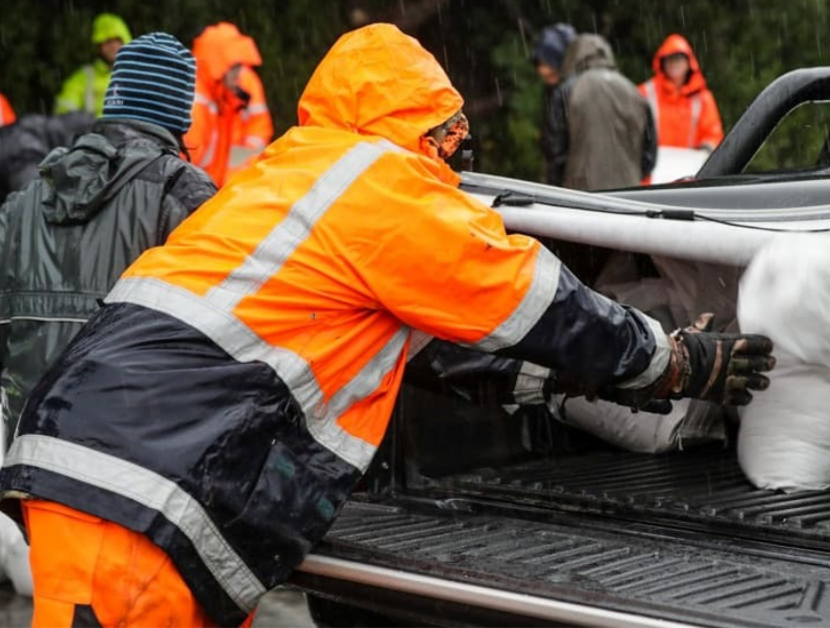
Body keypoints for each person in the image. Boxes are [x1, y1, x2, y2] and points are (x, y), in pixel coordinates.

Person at [0, 24, 774, 627]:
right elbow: (536, 298)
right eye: (444, 132)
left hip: (113, 465)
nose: (453, 152)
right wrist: (671, 363)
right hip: (137, 495)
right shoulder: (382, 185)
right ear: (408, 122)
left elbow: (432, 346)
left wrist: (572, 376)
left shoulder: (287, 174)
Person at [0, 32, 215, 451]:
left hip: (20, 459)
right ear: (180, 116)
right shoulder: (184, 195)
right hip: (124, 467)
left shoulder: (25, 199)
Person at [544, 33, 657, 191]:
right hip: (627, 197)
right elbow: (649, 157)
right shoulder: (635, 92)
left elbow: (555, 151)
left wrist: (555, 186)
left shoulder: (568, 90)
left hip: (579, 196)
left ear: (573, 56)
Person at [186, 22, 273, 187]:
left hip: (211, 195)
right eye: (234, 68)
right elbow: (181, 173)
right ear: (218, 67)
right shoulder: (198, 108)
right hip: (197, 200)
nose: (239, 75)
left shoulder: (220, 99)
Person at [639, 34, 724, 151]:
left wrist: (707, 148)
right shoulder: (646, 92)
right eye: (670, 59)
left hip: (691, 165)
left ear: (689, 62)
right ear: (662, 62)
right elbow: (632, 127)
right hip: (653, 165)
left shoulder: (703, 98)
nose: (674, 63)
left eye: (678, 58)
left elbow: (713, 133)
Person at [54, 13, 132, 117]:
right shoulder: (83, 78)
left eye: (116, 40)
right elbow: (63, 115)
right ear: (98, 46)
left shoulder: (141, 74)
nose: (112, 46)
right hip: (93, 131)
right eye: (107, 41)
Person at [532, 23, 576, 185]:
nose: (542, 71)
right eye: (540, 64)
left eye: (548, 63)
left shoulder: (573, 92)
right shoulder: (552, 90)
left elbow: (559, 150)